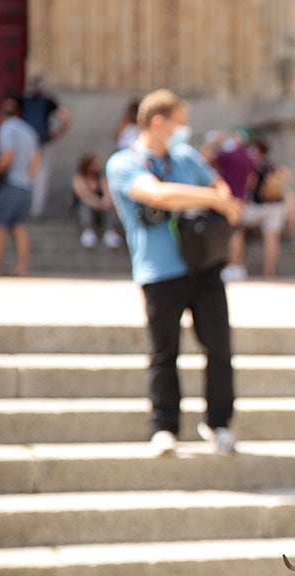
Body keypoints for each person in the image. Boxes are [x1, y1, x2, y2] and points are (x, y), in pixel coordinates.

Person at [105, 88, 244, 456]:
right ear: (158, 122)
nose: (186, 128)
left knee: (219, 347)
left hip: (204, 266)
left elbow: (217, 183)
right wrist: (212, 199)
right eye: (180, 121)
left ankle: (219, 423)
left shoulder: (186, 156)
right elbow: (156, 195)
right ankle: (163, 426)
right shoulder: (123, 162)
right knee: (163, 352)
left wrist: (219, 192)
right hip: (159, 270)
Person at [203, 128, 286, 280]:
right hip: (270, 205)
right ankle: (269, 273)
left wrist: (213, 143)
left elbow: (206, 160)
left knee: (236, 234)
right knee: (271, 238)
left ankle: (235, 266)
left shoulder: (231, 155)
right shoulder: (253, 160)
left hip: (235, 201)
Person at [0, 98, 40, 277]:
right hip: (24, 185)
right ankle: (22, 267)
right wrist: (27, 178)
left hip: (10, 183)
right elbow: (36, 160)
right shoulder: (29, 131)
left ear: (2, 115)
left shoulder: (7, 128)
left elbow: (8, 154)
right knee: (18, 226)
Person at [18, 74, 72, 219]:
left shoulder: (23, 99)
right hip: (43, 142)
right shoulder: (48, 101)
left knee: (24, 173)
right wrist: (57, 134)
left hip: (26, 142)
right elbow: (66, 117)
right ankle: (36, 210)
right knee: (41, 175)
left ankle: (22, 207)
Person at [72, 153, 124, 249]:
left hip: (100, 206)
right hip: (88, 205)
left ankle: (110, 231)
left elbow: (107, 191)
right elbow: (84, 195)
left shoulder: (100, 177)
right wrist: (97, 203)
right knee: (85, 207)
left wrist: (105, 201)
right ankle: (88, 230)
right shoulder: (79, 178)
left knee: (109, 205)